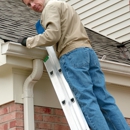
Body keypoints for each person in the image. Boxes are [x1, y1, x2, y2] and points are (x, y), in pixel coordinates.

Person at [18, 0, 130, 129]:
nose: (32, 5)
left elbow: (52, 35)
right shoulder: (64, 5)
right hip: (88, 53)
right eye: (28, 4)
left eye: (32, 0)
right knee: (105, 100)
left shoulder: (50, 7)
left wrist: (28, 41)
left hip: (71, 54)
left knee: (87, 100)